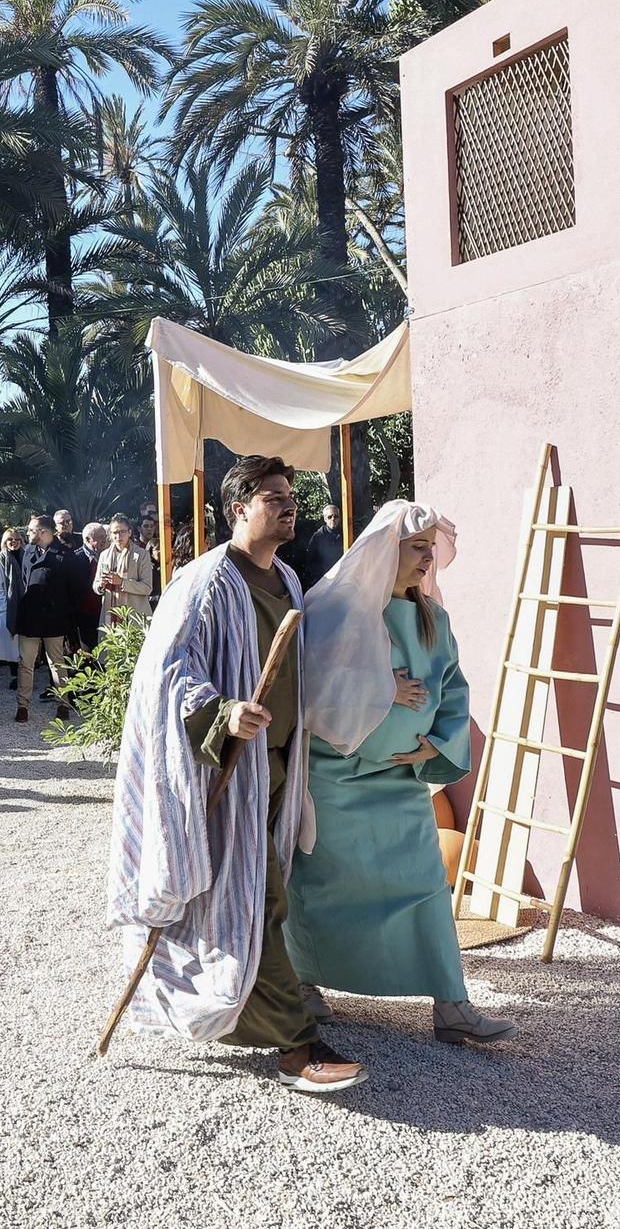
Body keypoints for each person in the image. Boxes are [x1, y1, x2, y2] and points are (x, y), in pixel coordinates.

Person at [105, 454, 367, 1093]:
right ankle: (293, 1044)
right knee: (257, 895)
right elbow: (168, 672)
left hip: (273, 769)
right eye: (273, 496)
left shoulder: (288, 580)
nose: (288, 504)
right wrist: (220, 714)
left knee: (253, 896)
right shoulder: (203, 584)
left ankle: (228, 1002)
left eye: (289, 495)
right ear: (238, 509)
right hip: (218, 774)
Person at [285, 501, 518, 1047]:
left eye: (430, 549)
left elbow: (454, 690)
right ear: (385, 552)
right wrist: (383, 692)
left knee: (425, 885)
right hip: (338, 783)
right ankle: (303, 982)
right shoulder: (340, 614)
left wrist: (433, 744)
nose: (426, 559)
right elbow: (313, 693)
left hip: (402, 784)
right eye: (417, 548)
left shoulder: (433, 617)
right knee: (324, 887)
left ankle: (452, 1005)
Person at [12, 515, 81, 724]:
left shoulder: (66, 556)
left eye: (32, 530)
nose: (28, 533)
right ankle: (22, 706)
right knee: (26, 663)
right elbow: (25, 581)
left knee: (57, 663)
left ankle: (63, 703)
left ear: (44, 532)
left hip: (55, 618)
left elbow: (75, 590)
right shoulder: (28, 552)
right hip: (30, 618)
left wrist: (66, 615)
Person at [94, 514, 155, 627]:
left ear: (130, 533)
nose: (118, 536)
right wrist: (101, 585)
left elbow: (147, 588)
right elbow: (96, 585)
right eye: (115, 533)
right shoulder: (104, 555)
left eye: (122, 532)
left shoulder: (142, 554)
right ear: (110, 535)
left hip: (134, 615)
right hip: (110, 614)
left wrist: (122, 582)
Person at [0, 526, 24, 686]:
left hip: (23, 606)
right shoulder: (0, 560)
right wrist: (7, 606)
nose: (14, 542)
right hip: (6, 609)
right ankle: (12, 674)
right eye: (10, 539)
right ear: (5, 541)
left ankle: (20, 675)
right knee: (9, 644)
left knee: (21, 645)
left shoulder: (25, 556)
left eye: (17, 539)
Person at [73, 521, 109, 653]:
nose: (104, 540)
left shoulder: (108, 557)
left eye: (105, 537)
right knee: (89, 655)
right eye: (100, 537)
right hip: (84, 617)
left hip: (105, 613)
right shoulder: (75, 559)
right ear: (88, 539)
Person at [304, 505, 345, 588]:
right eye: (330, 517)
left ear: (339, 518)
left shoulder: (346, 534)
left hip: (343, 579)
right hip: (324, 581)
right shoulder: (317, 537)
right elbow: (311, 561)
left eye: (335, 516)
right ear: (325, 519)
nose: (333, 519)